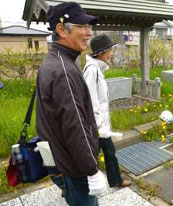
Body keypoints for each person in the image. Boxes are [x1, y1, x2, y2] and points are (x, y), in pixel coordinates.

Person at [36, 2, 107, 205]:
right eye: (82, 27)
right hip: (74, 167)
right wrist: (92, 170)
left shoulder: (54, 61)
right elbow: (75, 126)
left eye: (89, 27)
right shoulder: (64, 70)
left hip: (60, 159)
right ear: (61, 29)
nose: (89, 33)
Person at [83, 34, 131, 187]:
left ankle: (113, 180)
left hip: (99, 125)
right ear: (101, 53)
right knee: (100, 155)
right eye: (110, 50)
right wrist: (98, 127)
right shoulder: (92, 71)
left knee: (106, 153)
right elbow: (91, 101)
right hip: (97, 126)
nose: (112, 53)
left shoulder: (97, 70)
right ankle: (78, 183)